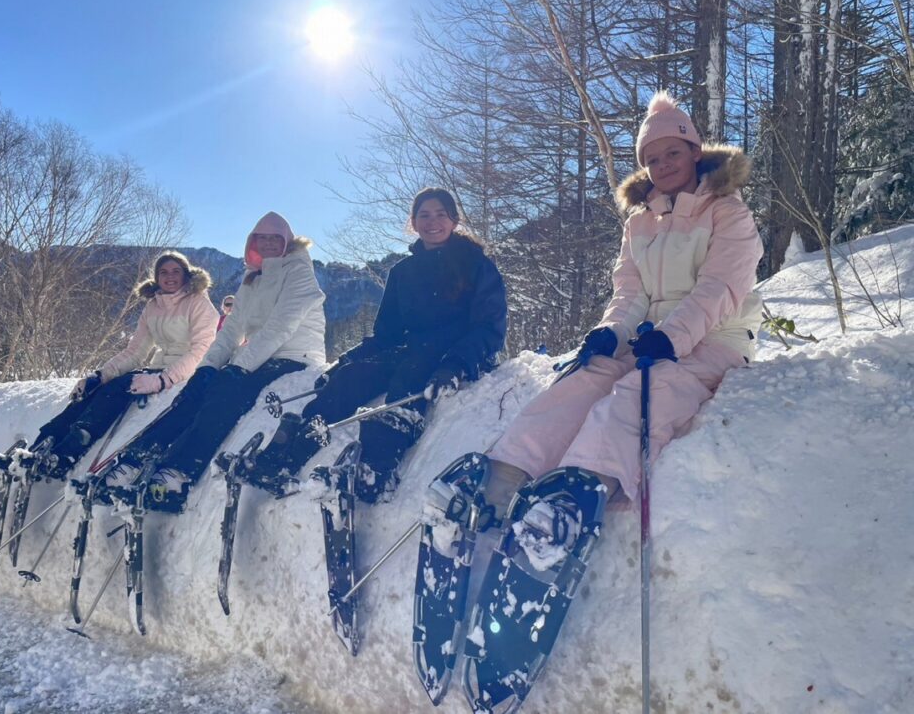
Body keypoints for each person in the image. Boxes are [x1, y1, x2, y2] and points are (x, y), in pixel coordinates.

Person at [480, 90, 763, 528]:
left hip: (715, 338)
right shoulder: (640, 222)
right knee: (583, 381)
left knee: (637, 395)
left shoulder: (727, 213)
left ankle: (575, 496)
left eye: (673, 152)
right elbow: (630, 292)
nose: (663, 165)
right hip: (651, 339)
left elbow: (719, 288)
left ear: (695, 151)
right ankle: (500, 481)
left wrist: (672, 337)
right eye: (653, 158)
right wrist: (612, 332)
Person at [240, 188, 507, 503]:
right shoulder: (403, 272)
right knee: (350, 379)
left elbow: (489, 326)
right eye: (424, 215)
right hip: (410, 349)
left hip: (453, 352)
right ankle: (286, 458)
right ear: (413, 222)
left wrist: (457, 364)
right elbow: (386, 334)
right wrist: (345, 363)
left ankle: (373, 472)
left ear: (454, 220)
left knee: (409, 376)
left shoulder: (475, 264)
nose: (432, 222)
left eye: (440, 214)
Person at [103, 212, 326, 510]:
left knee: (226, 394)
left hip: (295, 355)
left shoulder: (299, 271)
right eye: (262, 238)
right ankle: (137, 457)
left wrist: (238, 368)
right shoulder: (252, 279)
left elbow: (281, 327)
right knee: (195, 392)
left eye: (275, 238)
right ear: (253, 243)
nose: (268, 243)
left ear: (286, 241)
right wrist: (207, 366)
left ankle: (181, 471)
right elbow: (232, 329)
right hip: (259, 355)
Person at [30, 250, 219, 479]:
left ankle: (68, 453)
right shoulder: (153, 306)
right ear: (156, 277)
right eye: (163, 272)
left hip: (185, 371)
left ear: (186, 275)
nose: (170, 277)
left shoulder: (199, 303)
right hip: (156, 368)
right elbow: (135, 352)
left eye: (175, 271)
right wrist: (100, 376)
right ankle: (43, 443)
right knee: (95, 391)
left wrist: (163, 380)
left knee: (115, 390)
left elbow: (201, 350)